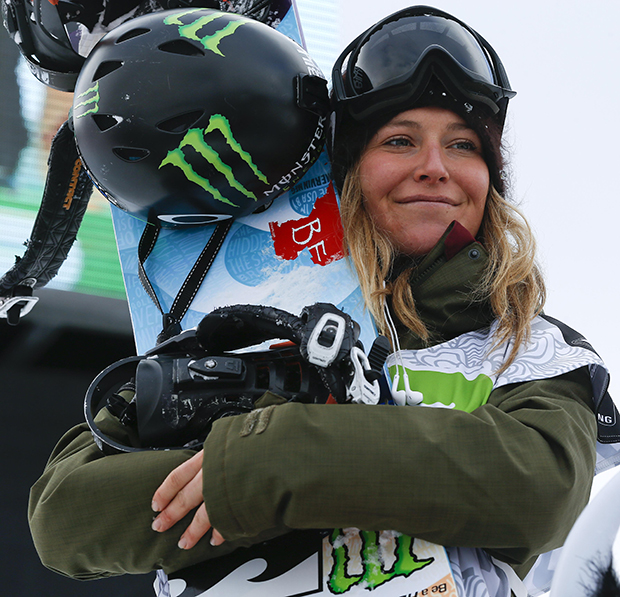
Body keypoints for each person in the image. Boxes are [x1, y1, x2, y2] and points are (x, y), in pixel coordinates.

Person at [28, 6, 616, 597]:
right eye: (401, 140)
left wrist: (263, 468)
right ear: (350, 174)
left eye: (464, 146)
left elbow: (534, 489)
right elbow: (66, 515)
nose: (435, 168)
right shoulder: (235, 325)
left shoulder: (525, 347)